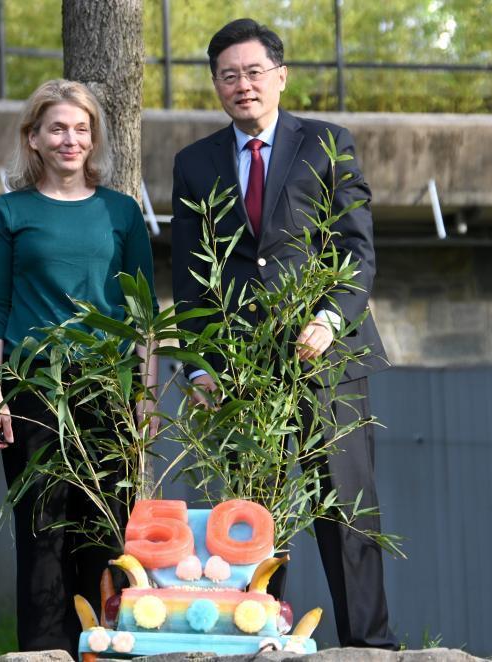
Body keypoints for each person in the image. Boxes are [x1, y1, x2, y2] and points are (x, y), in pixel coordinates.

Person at [170, 19, 396, 650]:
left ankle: (368, 646)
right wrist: (197, 366)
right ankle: (255, 638)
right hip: (242, 374)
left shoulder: (328, 143)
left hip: (327, 359)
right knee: (250, 514)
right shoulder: (194, 164)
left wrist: (327, 318)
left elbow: (357, 251)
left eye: (254, 72)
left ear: (281, 76)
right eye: (229, 75)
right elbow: (190, 282)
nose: (243, 85)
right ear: (216, 84)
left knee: (344, 509)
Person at [0, 79, 158, 656]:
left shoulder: (122, 212)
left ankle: (103, 648)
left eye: (82, 129)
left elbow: (143, 315)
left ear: (95, 138)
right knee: (43, 530)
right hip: (33, 391)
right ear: (33, 139)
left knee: (106, 532)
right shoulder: (9, 213)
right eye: (56, 128)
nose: (70, 139)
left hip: (107, 391)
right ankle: (44, 652)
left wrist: (146, 396)